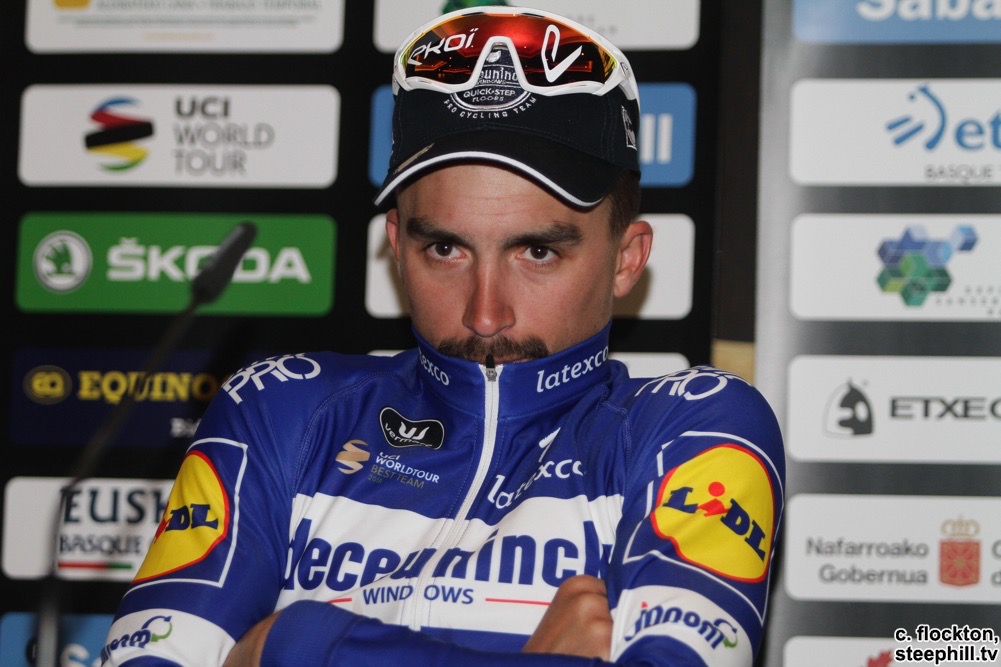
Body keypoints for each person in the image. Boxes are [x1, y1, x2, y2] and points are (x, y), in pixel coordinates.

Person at [103, 6, 785, 666]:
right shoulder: (281, 411)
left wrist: (301, 642)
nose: (485, 314)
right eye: (446, 249)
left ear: (626, 259)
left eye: (537, 252)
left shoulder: (691, 430)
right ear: (397, 245)